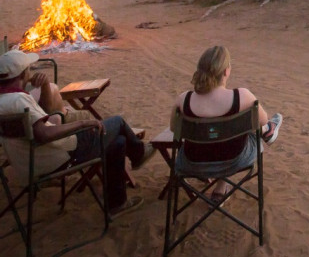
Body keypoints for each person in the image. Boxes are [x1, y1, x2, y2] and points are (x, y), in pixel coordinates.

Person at [0, 49, 154, 218]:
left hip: (31, 163)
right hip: (63, 156)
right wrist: (81, 123)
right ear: (23, 73)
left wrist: (44, 86)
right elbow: (44, 133)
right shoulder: (19, 100)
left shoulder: (6, 101)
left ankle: (117, 204)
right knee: (117, 122)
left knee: (118, 141)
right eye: (29, 68)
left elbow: (44, 115)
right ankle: (138, 155)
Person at [171, 46, 282, 202]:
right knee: (249, 125)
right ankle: (268, 131)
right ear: (226, 71)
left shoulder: (184, 99)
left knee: (216, 134)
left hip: (193, 163)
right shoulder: (242, 96)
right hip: (234, 161)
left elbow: (173, 129)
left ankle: (220, 188)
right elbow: (263, 119)